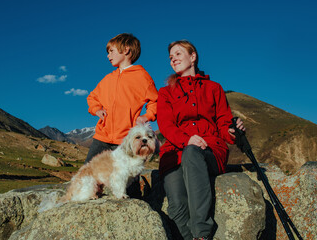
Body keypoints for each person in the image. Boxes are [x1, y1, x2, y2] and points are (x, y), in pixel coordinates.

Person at [157, 40, 245, 240]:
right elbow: (166, 125)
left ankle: (202, 234)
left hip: (209, 150)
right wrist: (187, 140)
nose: (173, 59)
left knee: (192, 153)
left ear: (193, 56)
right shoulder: (165, 92)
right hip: (174, 153)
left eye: (178, 54)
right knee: (177, 207)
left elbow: (223, 124)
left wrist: (233, 130)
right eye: (171, 57)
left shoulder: (214, 88)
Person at [85, 33, 158, 196]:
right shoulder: (107, 79)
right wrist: (96, 109)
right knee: (89, 174)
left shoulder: (142, 77)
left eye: (111, 51)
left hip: (126, 140)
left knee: (129, 180)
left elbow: (156, 101)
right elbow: (92, 97)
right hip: (102, 137)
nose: (108, 55)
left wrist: (146, 116)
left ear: (126, 50)